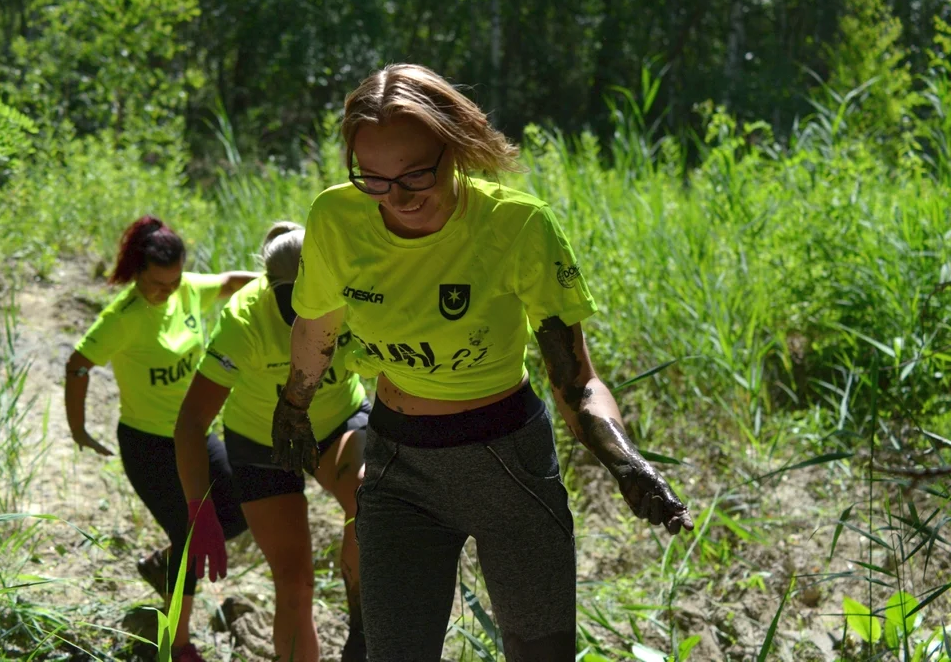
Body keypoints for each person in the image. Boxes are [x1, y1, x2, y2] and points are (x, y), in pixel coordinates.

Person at [268, 64, 696, 661]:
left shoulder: (517, 226)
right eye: (375, 179)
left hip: (508, 462)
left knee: (541, 653)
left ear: (459, 147)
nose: (399, 196)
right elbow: (317, 325)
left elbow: (575, 380)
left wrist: (624, 463)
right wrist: (293, 407)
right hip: (397, 463)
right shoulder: (337, 219)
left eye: (417, 172)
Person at [175, 221, 370, 662]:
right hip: (261, 441)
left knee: (369, 496)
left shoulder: (355, 297)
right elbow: (191, 421)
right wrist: (198, 508)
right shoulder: (244, 319)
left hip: (336, 423)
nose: (297, 316)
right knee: (295, 583)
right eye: (287, 303)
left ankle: (362, 631)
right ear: (267, 286)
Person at [65, 215, 256, 662]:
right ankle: (178, 643)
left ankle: (163, 564)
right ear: (136, 273)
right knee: (189, 534)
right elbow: (77, 364)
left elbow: (229, 281)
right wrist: (78, 429)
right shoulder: (123, 317)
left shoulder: (186, 287)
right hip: (148, 445)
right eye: (157, 284)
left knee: (243, 507)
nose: (166, 292)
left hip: (196, 433)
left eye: (172, 283)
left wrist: (284, 281)